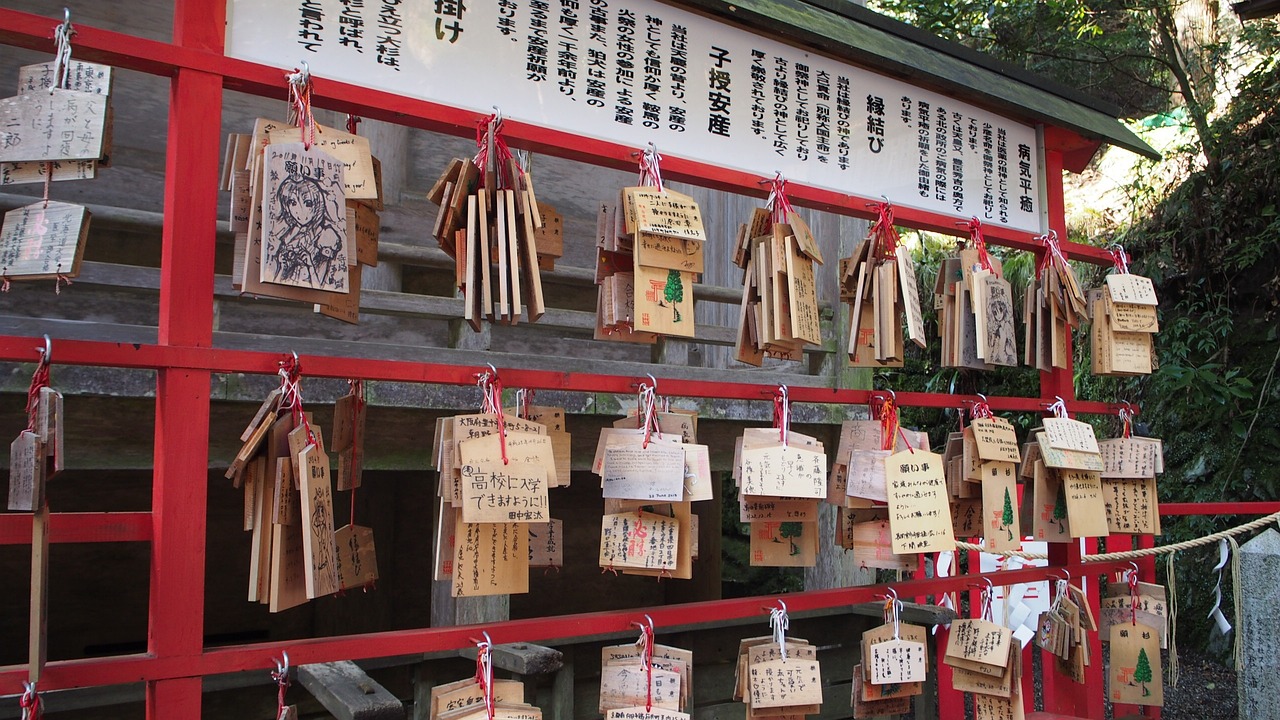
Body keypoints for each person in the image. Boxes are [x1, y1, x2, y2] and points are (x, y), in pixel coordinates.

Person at [268, 161, 346, 289]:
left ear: (317, 204)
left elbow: (319, 286)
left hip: (309, 297)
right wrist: (283, 266)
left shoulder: (326, 237)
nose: (299, 210)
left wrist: (309, 264)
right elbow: (277, 282)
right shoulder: (289, 235)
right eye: (292, 203)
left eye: (308, 203)